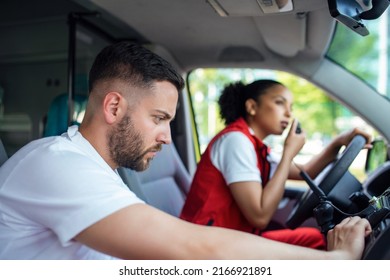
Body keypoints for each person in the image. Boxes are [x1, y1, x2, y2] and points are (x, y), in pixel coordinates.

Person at [0, 41, 371, 260]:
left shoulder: (98, 170)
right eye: (159, 118)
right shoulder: (56, 163)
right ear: (114, 108)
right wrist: (337, 262)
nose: (166, 136)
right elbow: (194, 247)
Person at [180, 79, 372, 249]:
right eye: (280, 103)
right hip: (210, 245)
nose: (289, 113)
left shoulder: (254, 145)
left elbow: (302, 173)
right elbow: (260, 216)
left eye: (291, 106)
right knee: (320, 241)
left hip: (233, 237)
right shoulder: (236, 141)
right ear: (252, 107)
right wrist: (289, 152)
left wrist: (338, 142)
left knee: (314, 237)